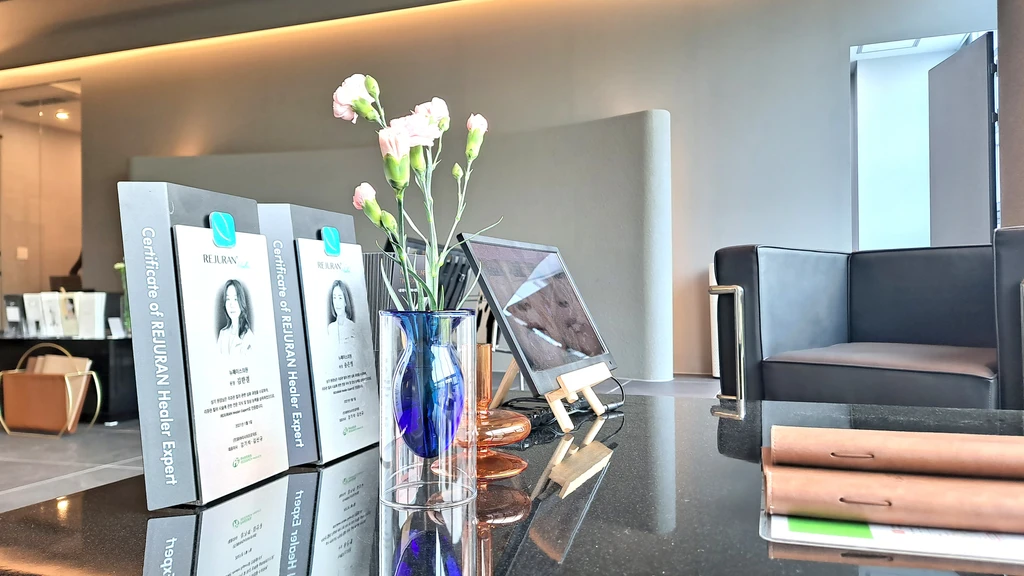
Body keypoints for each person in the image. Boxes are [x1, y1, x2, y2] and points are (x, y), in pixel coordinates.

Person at [218, 279, 253, 356]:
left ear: (241, 302)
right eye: (228, 299)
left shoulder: (248, 337)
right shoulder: (222, 334)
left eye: (235, 299)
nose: (231, 305)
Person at [326, 280, 357, 349]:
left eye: (340, 298)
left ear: (345, 301)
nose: (337, 303)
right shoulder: (330, 328)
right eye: (334, 298)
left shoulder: (353, 327)